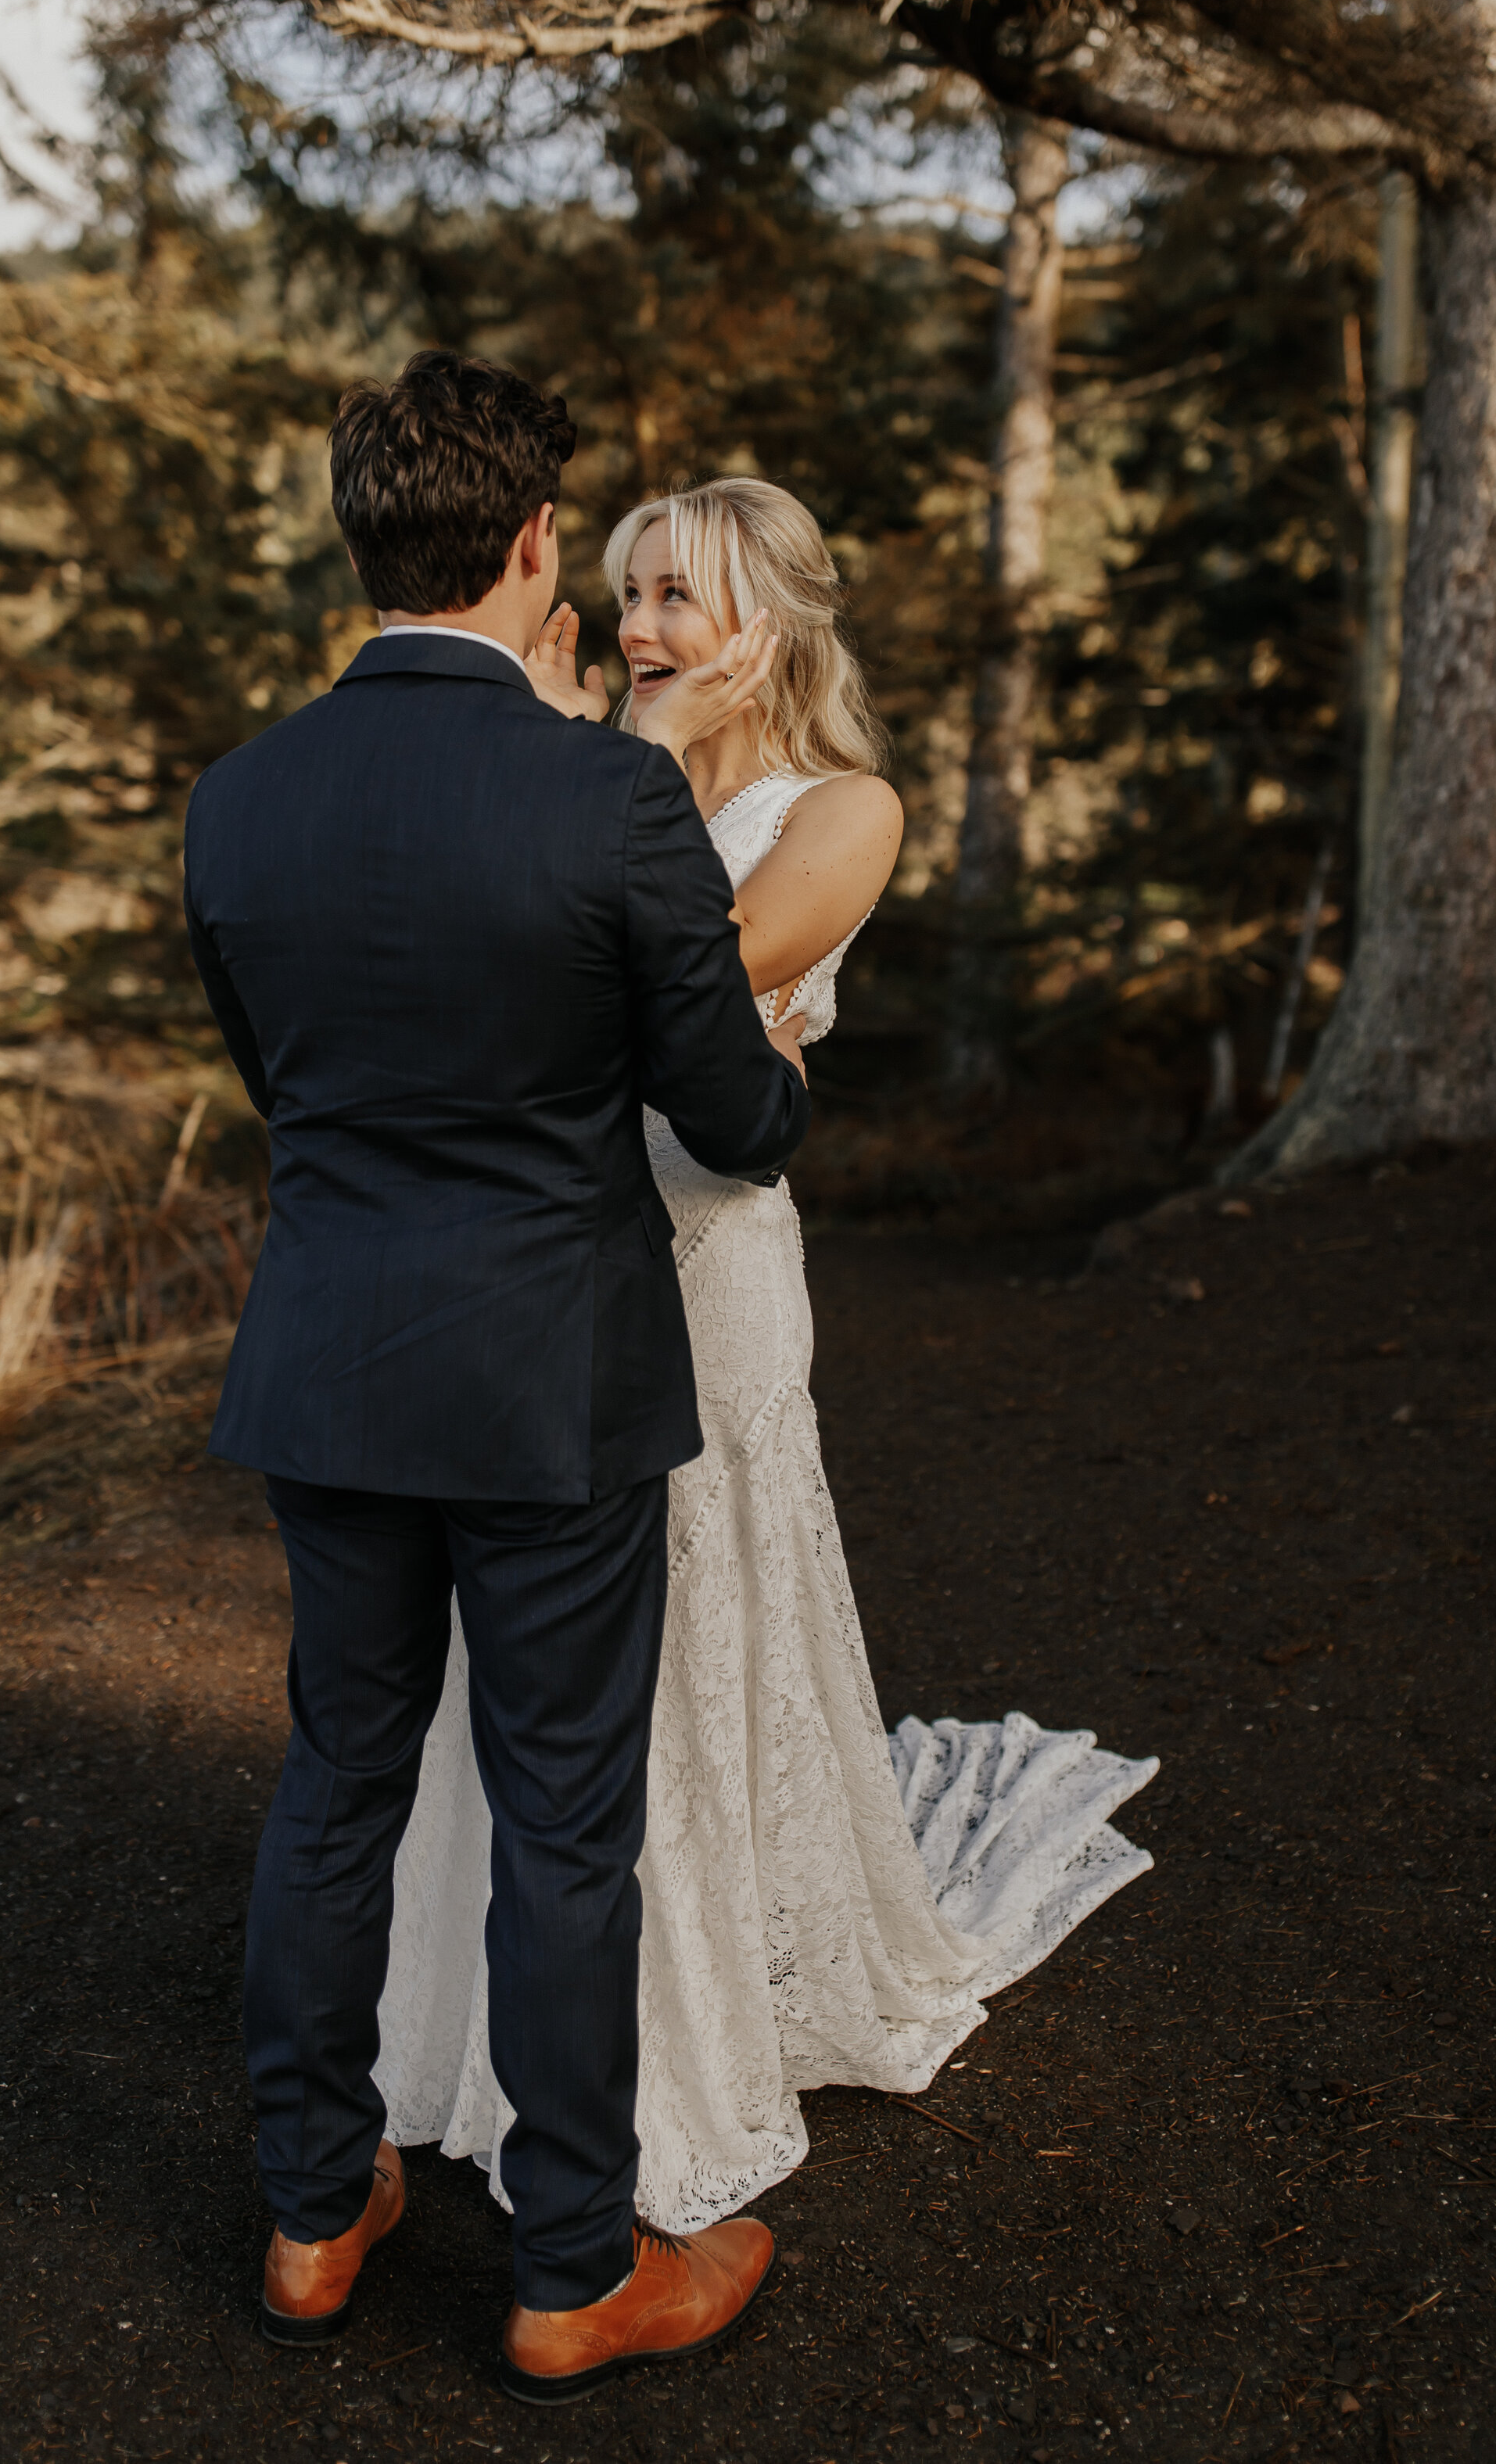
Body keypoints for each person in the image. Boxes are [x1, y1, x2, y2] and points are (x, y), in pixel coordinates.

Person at [376, 475, 1157, 2236]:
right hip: (526, 1278)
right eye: (631, 588)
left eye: (683, 599)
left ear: (771, 630)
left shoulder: (845, 812)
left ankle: (701, 1996)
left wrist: (611, 772)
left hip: (700, 1269)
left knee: (688, 1616)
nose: (640, 626)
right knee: (501, 1646)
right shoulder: (583, 778)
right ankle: (477, 2015)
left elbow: (673, 995)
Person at [182, 357, 813, 2406]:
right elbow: (727, 1114)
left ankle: (307, 2208)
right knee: (562, 1816)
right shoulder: (608, 795)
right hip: (547, 1381)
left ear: (364, 537)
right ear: (535, 542)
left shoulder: (241, 795)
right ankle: (564, 2266)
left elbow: (283, 1082)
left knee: (334, 1781)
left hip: (333, 1366)